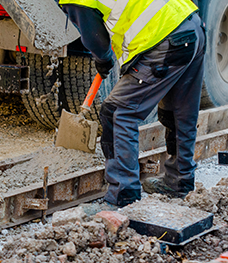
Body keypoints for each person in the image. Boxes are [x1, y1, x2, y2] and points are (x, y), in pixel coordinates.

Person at [59, 0, 206, 206]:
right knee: (180, 111)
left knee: (117, 112)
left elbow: (96, 40)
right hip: (192, 26)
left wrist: (103, 59)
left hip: (165, 37)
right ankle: (179, 182)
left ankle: (123, 195)